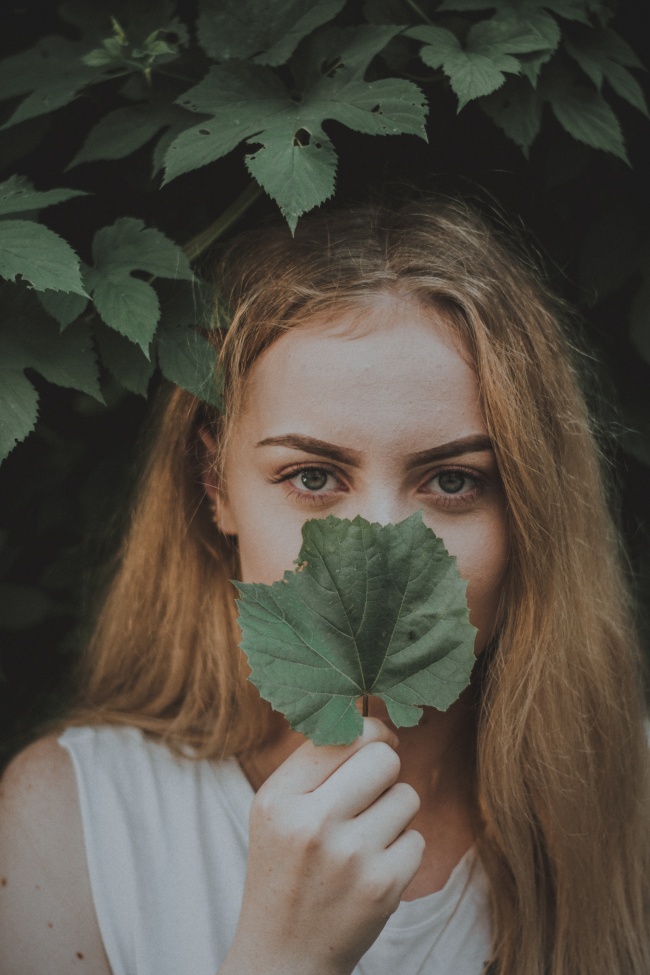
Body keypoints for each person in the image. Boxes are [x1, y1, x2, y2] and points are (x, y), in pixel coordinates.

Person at [1, 196, 649, 975]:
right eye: (312, 476)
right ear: (216, 485)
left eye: (452, 479)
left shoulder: (632, 805)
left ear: (532, 512)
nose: (377, 552)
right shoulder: (71, 822)